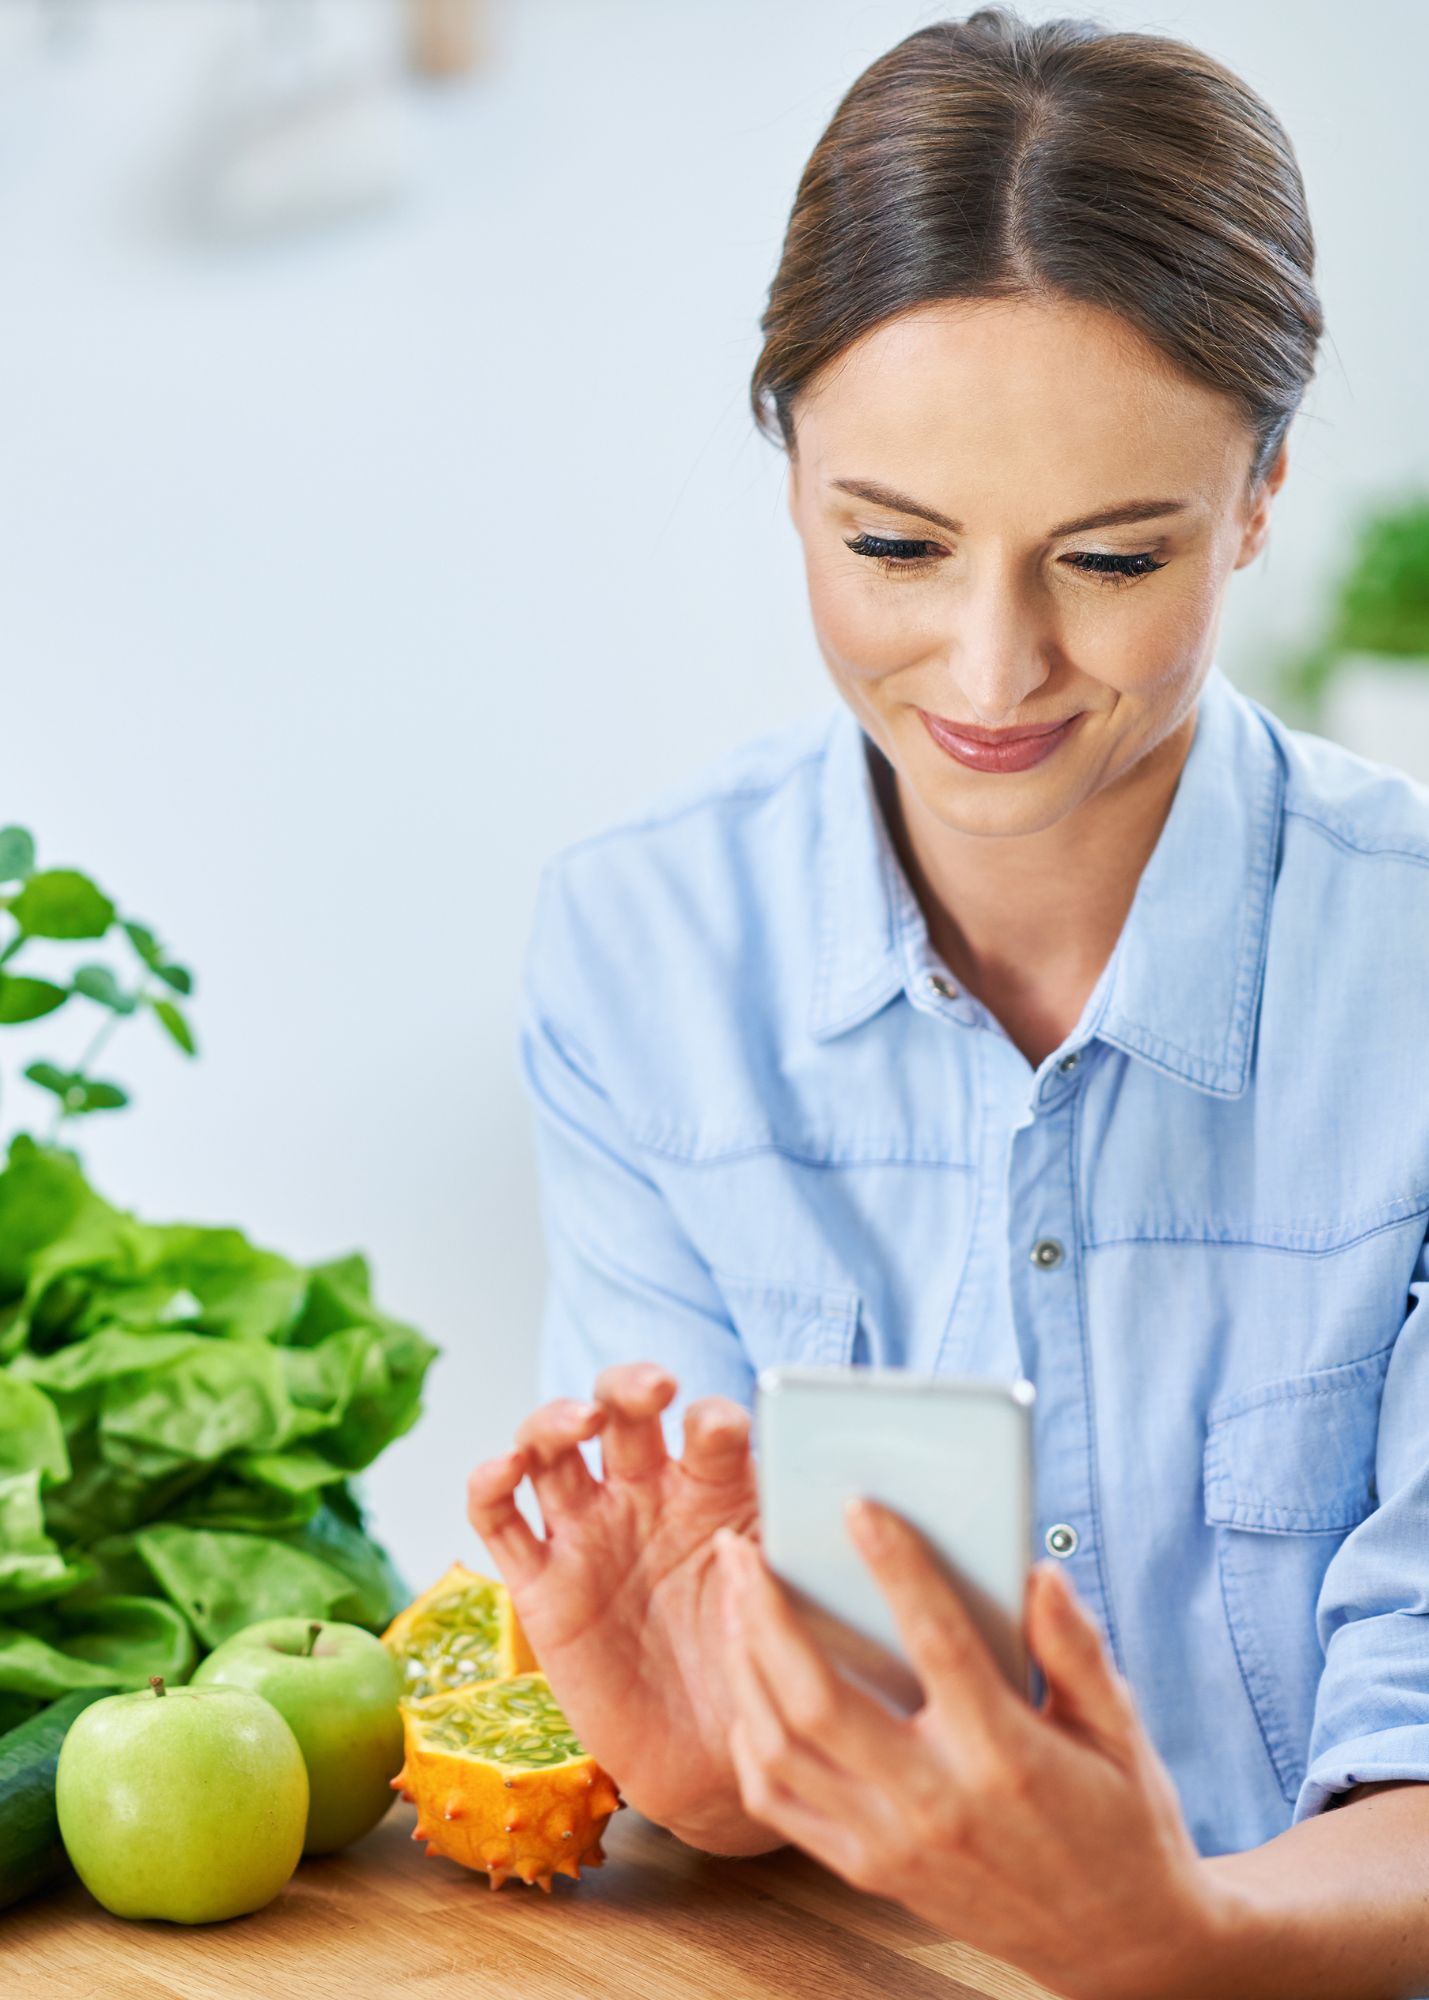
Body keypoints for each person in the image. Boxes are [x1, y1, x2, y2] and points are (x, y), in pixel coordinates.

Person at [467, 9, 1429, 1995]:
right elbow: (758, 1770)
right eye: (892, 543)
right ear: (789, 472)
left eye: (1109, 555)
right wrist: (708, 1743)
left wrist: (1178, 1934)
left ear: (1253, 499)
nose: (991, 670)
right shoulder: (643, 954)